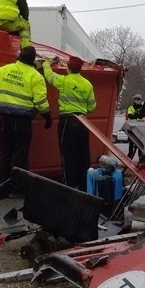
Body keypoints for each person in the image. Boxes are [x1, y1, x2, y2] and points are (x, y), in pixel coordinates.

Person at [0, 46, 51, 190]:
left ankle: (3, 184)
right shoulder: (35, 76)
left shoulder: (3, 70)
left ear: (19, 56)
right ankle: (17, 187)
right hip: (22, 121)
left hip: (5, 119)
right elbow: (41, 102)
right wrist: (48, 118)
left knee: (5, 151)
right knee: (20, 154)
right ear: (33, 60)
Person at [41, 55, 96, 191]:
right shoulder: (87, 84)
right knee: (83, 156)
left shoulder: (63, 81)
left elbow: (48, 76)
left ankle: (69, 188)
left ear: (68, 68)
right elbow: (92, 106)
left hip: (68, 122)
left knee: (68, 156)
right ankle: (84, 188)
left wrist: (46, 64)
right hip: (83, 122)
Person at [125, 94, 145, 160]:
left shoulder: (143, 108)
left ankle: (141, 158)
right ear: (134, 100)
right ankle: (129, 158)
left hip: (140, 128)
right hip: (132, 128)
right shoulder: (131, 107)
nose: (139, 101)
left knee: (141, 144)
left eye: (139, 100)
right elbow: (130, 116)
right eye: (137, 100)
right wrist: (138, 115)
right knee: (131, 144)